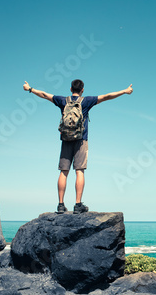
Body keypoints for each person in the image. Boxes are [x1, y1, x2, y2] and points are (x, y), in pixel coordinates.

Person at [22, 79, 133, 214]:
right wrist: (125, 91)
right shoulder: (86, 101)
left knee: (64, 172)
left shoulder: (63, 100)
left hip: (66, 139)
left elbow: (45, 95)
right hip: (81, 140)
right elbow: (106, 96)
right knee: (79, 171)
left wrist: (29, 88)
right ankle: (77, 204)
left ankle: (61, 205)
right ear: (82, 90)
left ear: (70, 89)